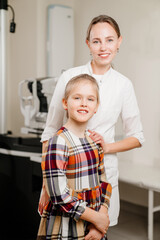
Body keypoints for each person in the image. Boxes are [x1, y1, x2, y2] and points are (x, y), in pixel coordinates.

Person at [39, 15, 145, 229]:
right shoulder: (70, 76)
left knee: (98, 231)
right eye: (96, 41)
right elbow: (50, 131)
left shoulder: (123, 85)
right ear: (88, 44)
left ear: (119, 41)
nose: (103, 47)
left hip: (102, 174)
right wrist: (46, 185)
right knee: (66, 230)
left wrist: (106, 146)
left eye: (109, 40)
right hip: (65, 176)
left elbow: (137, 137)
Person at [37, 74, 112, 240]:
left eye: (90, 99)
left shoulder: (94, 142)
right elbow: (58, 195)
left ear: (96, 106)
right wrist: (95, 218)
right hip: (67, 226)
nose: (84, 103)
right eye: (77, 98)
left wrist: (99, 222)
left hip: (93, 225)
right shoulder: (58, 142)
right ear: (65, 103)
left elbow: (104, 183)